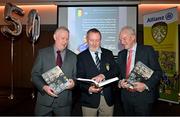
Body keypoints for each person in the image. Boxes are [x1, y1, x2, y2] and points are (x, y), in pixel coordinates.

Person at [117, 26, 162, 115]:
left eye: (124, 38)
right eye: (120, 39)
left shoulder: (147, 50)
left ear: (133, 37)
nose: (122, 42)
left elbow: (158, 72)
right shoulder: (121, 54)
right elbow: (120, 75)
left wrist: (145, 85)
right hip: (126, 97)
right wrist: (120, 82)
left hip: (143, 97)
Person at [31, 26, 77, 116]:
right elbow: (35, 74)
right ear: (55, 37)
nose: (65, 42)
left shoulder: (73, 57)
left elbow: (75, 77)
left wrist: (73, 84)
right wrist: (44, 87)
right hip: (44, 101)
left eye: (67, 39)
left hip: (64, 103)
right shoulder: (42, 53)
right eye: (62, 38)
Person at [76, 28, 117, 116]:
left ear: (100, 40)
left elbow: (115, 70)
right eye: (91, 40)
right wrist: (88, 89)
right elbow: (79, 79)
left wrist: (103, 75)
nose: (94, 43)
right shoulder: (80, 57)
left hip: (107, 99)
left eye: (97, 40)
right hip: (89, 100)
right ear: (87, 40)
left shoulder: (108, 53)